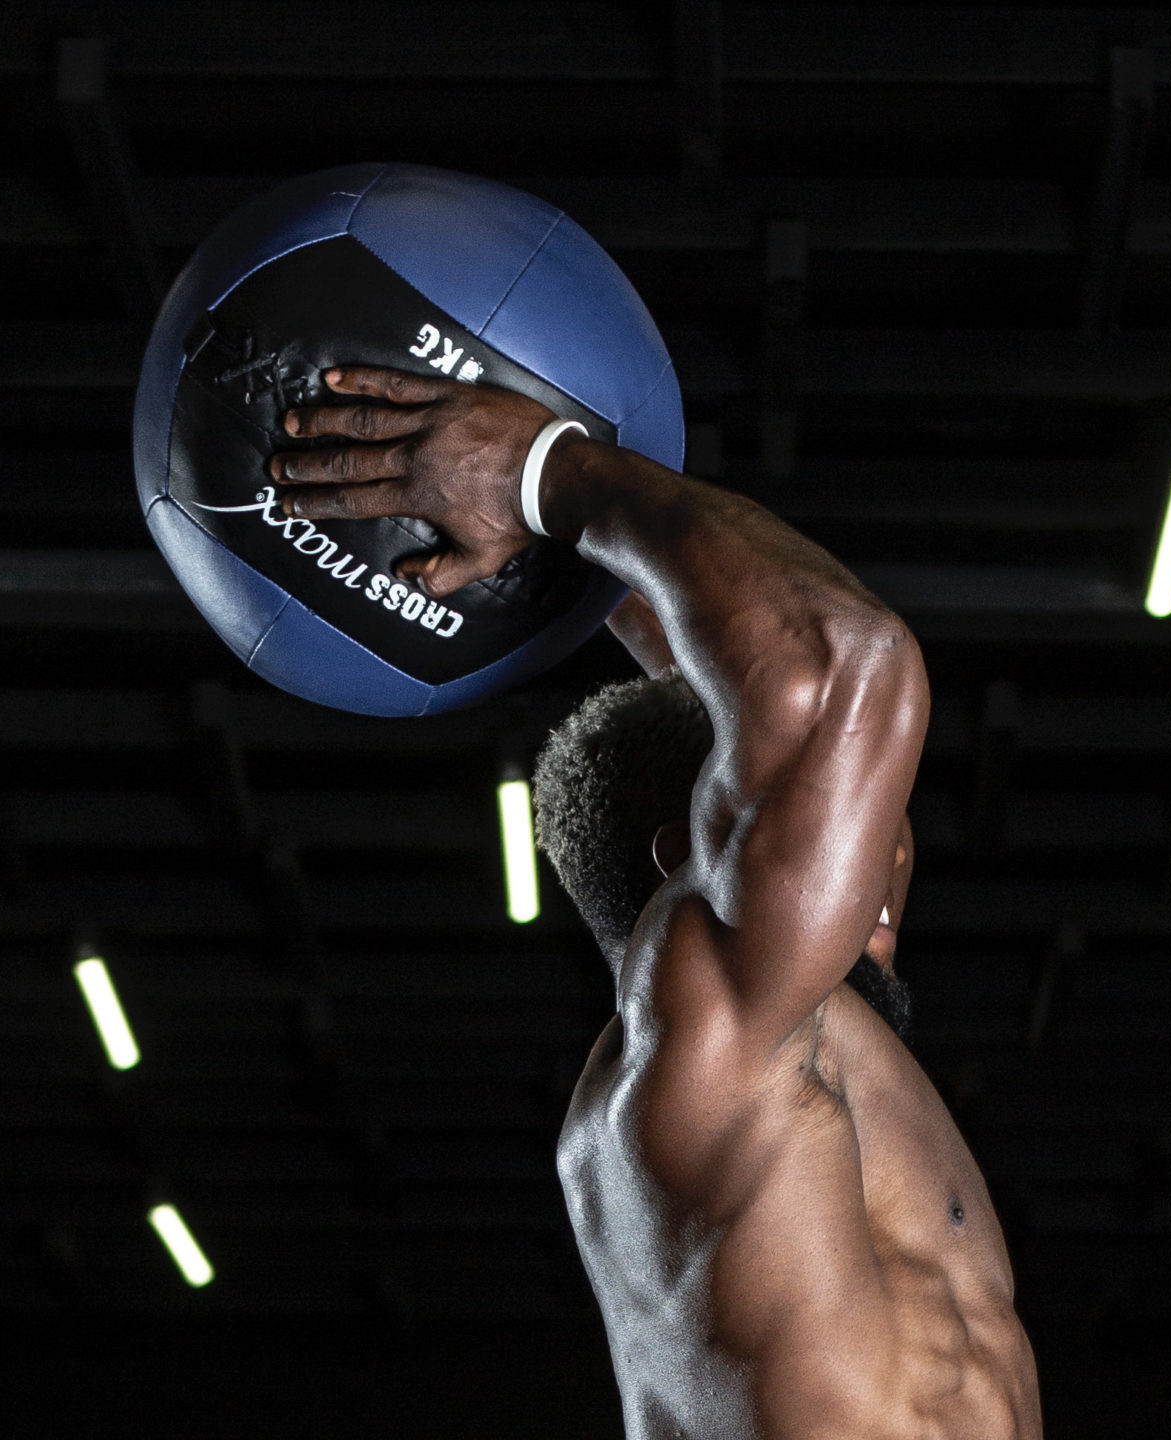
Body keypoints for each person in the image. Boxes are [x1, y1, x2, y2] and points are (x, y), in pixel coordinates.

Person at [268, 368, 1042, 1439]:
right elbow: (835, 671)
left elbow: (755, 699)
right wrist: (541, 472)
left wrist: (572, 563)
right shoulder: (711, 1056)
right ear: (695, 859)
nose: (883, 866)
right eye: (861, 848)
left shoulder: (777, 1051)